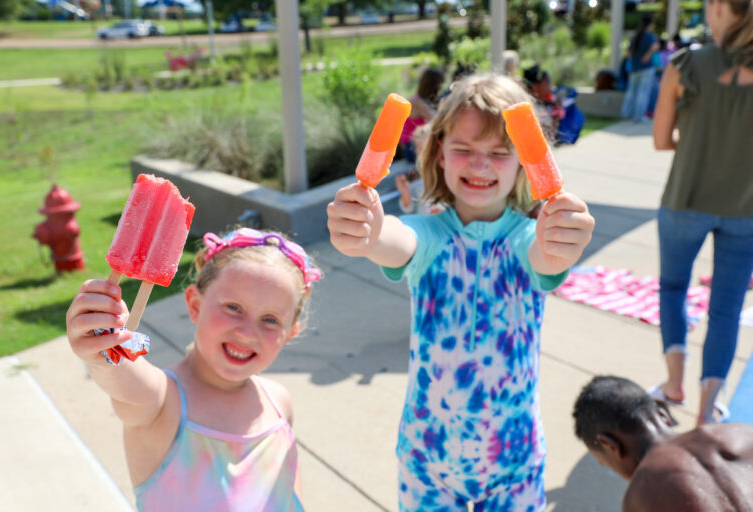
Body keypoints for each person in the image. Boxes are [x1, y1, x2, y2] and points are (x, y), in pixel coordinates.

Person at [327, 73, 595, 511]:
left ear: (528, 162)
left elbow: (546, 258)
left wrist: (562, 241)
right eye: (464, 149)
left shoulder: (529, 239)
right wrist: (368, 231)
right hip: (428, 461)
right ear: (438, 153)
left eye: (500, 152)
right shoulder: (428, 235)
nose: (480, 165)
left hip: (514, 461)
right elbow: (396, 240)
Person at [65, 227, 322, 511]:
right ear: (194, 304)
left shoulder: (279, 401)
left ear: (290, 332)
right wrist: (102, 349)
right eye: (234, 308)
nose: (248, 333)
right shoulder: (163, 404)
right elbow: (126, 381)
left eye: (270, 320)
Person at [651, 0, 753, 425]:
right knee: (726, 308)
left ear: (717, 9)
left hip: (684, 199)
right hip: (745, 209)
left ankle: (674, 383)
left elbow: (661, 139)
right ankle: (707, 411)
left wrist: (694, 143)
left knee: (674, 289)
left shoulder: (686, 64)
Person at [573, 375, 753, 512]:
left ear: (610, 446)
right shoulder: (741, 434)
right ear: (663, 416)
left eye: (605, 462)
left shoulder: (640, 495)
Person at [399, 67, 445, 163]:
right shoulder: (417, 102)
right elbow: (437, 119)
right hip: (411, 148)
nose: (441, 88)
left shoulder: (423, 100)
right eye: (440, 84)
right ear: (432, 85)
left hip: (417, 144)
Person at [620, 14, 660, 122]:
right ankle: (639, 115)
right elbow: (655, 47)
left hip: (634, 68)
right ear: (650, 24)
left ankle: (626, 113)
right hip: (646, 69)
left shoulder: (635, 36)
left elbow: (628, 54)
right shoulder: (649, 36)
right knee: (643, 93)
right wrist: (647, 55)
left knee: (631, 92)